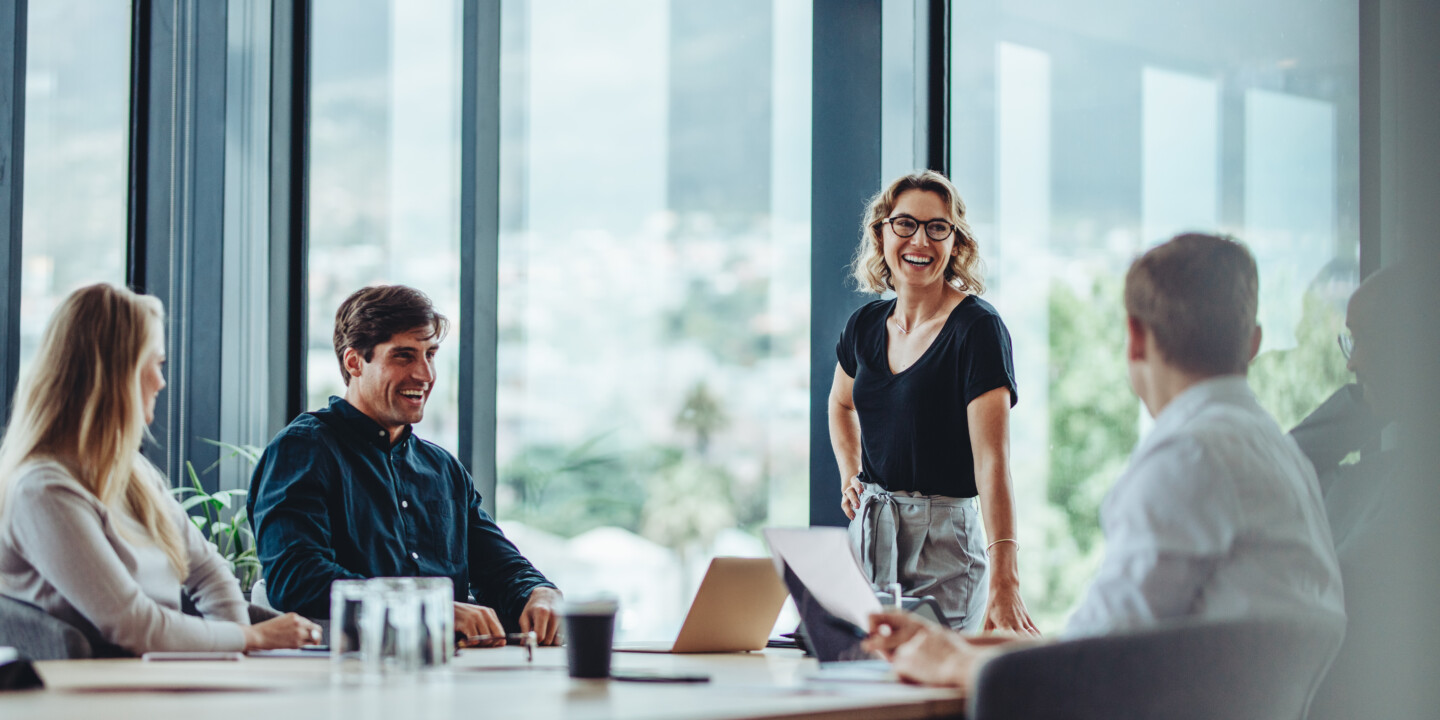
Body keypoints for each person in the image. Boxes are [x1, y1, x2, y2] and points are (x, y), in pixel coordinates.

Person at [864, 233, 1346, 690]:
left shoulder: (1188, 459)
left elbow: (1090, 672)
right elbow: (1111, 640)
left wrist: (948, 661)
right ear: (1253, 343)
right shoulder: (1278, 453)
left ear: (1134, 338)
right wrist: (960, 645)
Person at [0, 283, 320, 655]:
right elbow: (132, 625)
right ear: (117, 374)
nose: (161, 381)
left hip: (155, 676)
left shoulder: (130, 471)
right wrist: (252, 637)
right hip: (94, 696)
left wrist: (235, 653)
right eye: (156, 364)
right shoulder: (43, 491)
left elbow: (207, 570)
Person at [248, 285, 562, 646]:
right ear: (354, 362)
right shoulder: (303, 449)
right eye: (403, 356)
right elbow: (297, 578)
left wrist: (539, 591)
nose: (425, 374)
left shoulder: (443, 469)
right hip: (344, 677)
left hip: (451, 674)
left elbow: (499, 566)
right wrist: (428, 608)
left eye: (430, 355)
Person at [828, 170, 1036, 634]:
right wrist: (849, 474)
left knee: (932, 695)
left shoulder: (977, 329)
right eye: (905, 224)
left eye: (936, 227)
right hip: (869, 533)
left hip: (944, 543)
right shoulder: (863, 325)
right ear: (881, 233)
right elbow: (841, 405)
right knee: (863, 687)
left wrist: (1006, 578)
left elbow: (992, 462)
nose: (919, 240)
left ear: (955, 242)